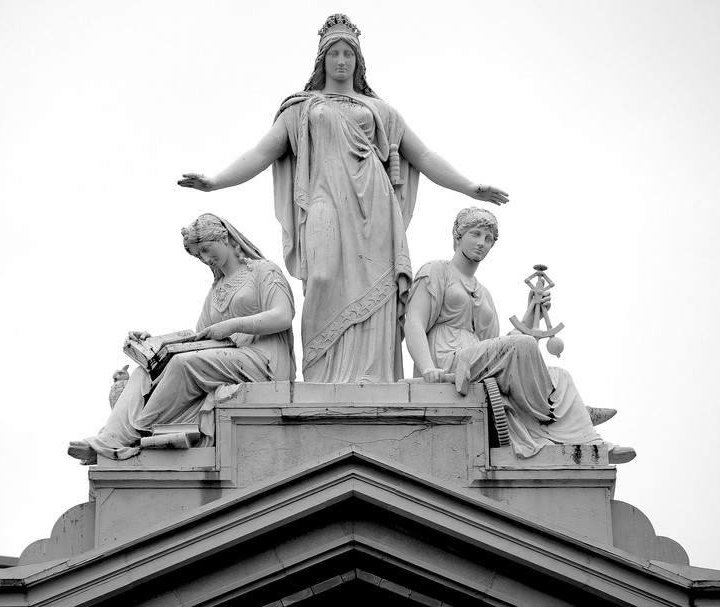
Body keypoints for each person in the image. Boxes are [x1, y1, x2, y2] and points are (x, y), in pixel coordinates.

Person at [178, 14, 508, 383]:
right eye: (333, 53)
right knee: (320, 276)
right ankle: (322, 378)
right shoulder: (301, 108)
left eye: (347, 54)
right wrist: (215, 181)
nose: (340, 61)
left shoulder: (380, 111)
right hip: (324, 201)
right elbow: (262, 152)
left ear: (358, 61)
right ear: (321, 60)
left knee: (375, 292)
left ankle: (373, 377)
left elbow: (425, 156)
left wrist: (469, 186)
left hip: (376, 207)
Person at [404, 207, 634, 463]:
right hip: (449, 361)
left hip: (476, 358)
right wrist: (427, 369)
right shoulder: (436, 271)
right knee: (523, 345)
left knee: (560, 375)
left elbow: (497, 348)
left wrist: (531, 313)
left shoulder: (484, 292)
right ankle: (556, 412)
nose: (482, 243)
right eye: (476, 234)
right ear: (458, 237)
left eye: (489, 239)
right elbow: (414, 321)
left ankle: (591, 442)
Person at [67, 214, 295, 464]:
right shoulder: (216, 289)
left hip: (263, 360)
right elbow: (199, 340)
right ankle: (110, 438)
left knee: (182, 365)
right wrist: (155, 343)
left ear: (226, 237)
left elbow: (283, 316)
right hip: (229, 358)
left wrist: (228, 326)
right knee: (144, 372)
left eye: (207, 249)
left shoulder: (264, 270)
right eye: (199, 256)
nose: (206, 259)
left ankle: (134, 436)